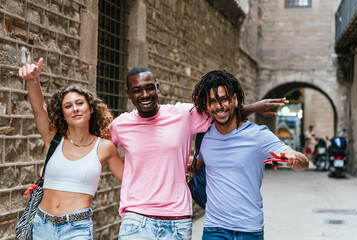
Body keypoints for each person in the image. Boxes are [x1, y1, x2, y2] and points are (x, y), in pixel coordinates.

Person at [109, 66, 288, 240]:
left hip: (177, 219)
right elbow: (102, 148)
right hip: (136, 218)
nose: (145, 95)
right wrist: (128, 179)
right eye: (137, 90)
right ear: (128, 94)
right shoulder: (121, 125)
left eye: (150, 88)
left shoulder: (182, 114)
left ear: (158, 87)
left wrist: (253, 108)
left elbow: (220, 111)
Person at [191, 70, 309, 240]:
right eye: (212, 102)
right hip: (214, 228)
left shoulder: (258, 135)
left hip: (249, 229)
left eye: (224, 99)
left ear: (235, 100)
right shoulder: (204, 136)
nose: (219, 106)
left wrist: (291, 155)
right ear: (207, 106)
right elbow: (201, 165)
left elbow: (303, 163)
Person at [18, 58, 124, 240]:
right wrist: (33, 81)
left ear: (91, 109)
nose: (74, 108)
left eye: (79, 103)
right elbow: (38, 109)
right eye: (68, 106)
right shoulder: (53, 138)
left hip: (77, 229)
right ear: (63, 114)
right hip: (42, 225)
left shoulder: (104, 147)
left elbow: (130, 179)